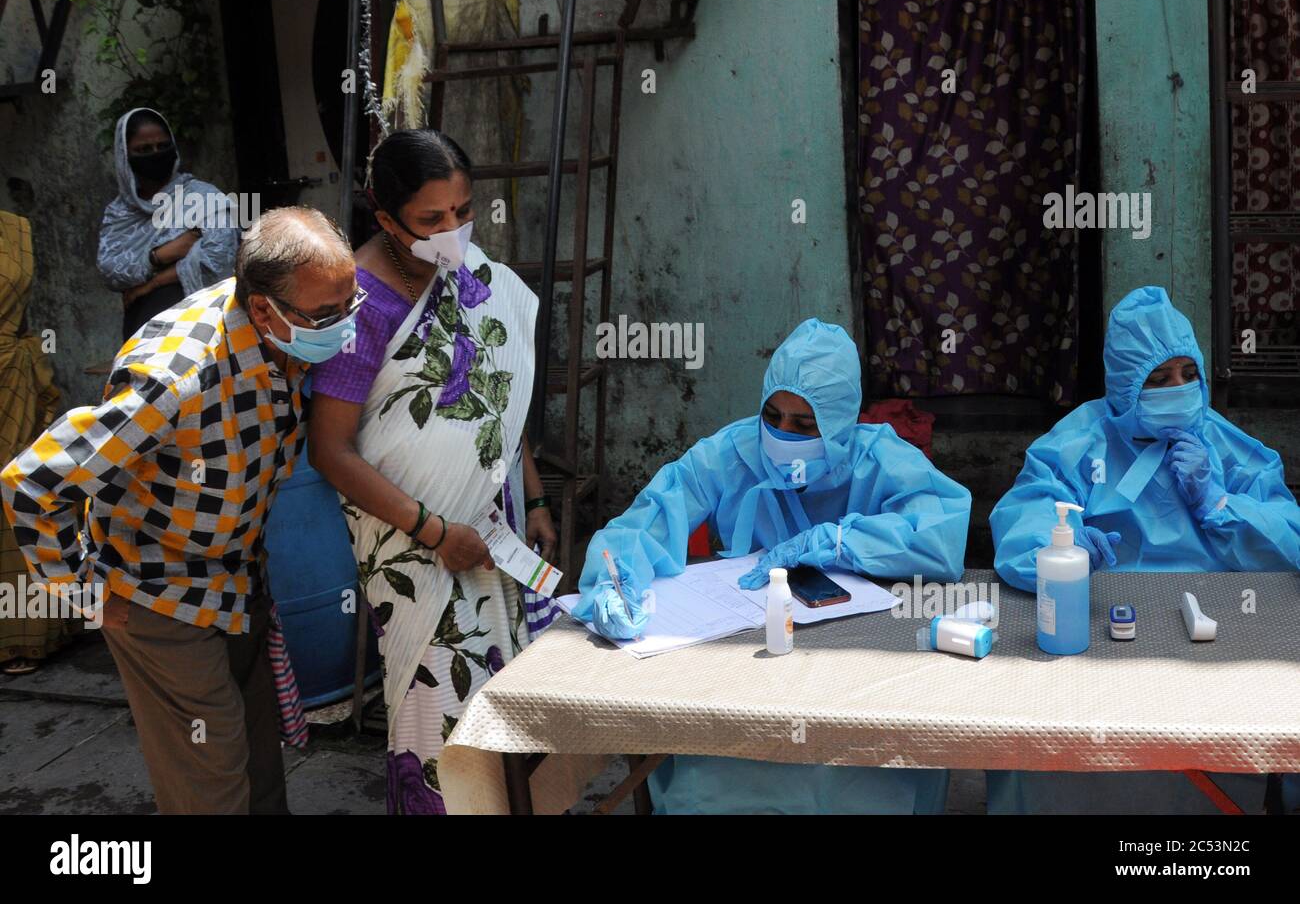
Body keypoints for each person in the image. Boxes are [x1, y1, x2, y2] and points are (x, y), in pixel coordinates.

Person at [2, 206, 357, 813]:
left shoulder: (279, 319)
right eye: (327, 316)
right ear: (267, 309)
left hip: (239, 580)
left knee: (257, 759)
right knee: (209, 776)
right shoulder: (173, 379)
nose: (344, 326)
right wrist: (88, 593)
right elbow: (32, 481)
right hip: (158, 597)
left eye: (350, 306)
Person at [573, 318, 972, 814]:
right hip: (744, 662)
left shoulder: (881, 459)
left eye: (805, 426)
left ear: (841, 423)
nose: (782, 434)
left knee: (849, 775)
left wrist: (841, 539)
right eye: (772, 415)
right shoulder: (731, 454)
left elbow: (941, 534)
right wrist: (614, 584)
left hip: (857, 665)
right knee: (728, 767)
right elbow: (643, 521)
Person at [308, 129, 559, 816]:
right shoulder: (359, 307)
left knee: (513, 702)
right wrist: (435, 530)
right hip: (412, 543)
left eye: (463, 210)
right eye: (431, 219)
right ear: (385, 217)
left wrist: (534, 497)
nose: (453, 230)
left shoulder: (469, 272)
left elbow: (499, 398)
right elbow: (330, 452)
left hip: (495, 524)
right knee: (442, 710)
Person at [988, 285, 1300, 813]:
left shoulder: (1224, 443)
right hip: (1096, 620)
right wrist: (1059, 544)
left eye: (1188, 373)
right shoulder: (1082, 437)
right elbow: (1028, 509)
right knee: (1051, 736)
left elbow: (1288, 539)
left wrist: (1221, 504)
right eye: (1157, 380)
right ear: (1125, 385)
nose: (1178, 388)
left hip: (1214, 623)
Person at [97, 107, 239, 341]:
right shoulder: (119, 212)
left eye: (163, 146)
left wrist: (150, 284)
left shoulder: (204, 198)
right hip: (143, 333)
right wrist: (160, 255)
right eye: (143, 149)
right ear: (125, 156)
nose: (156, 154)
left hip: (204, 329)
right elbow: (111, 270)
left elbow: (219, 260)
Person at [0, 210, 68, 675]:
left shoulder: (13, 228)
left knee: (19, 494)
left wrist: (39, 361)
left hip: (14, 380)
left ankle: (29, 633)